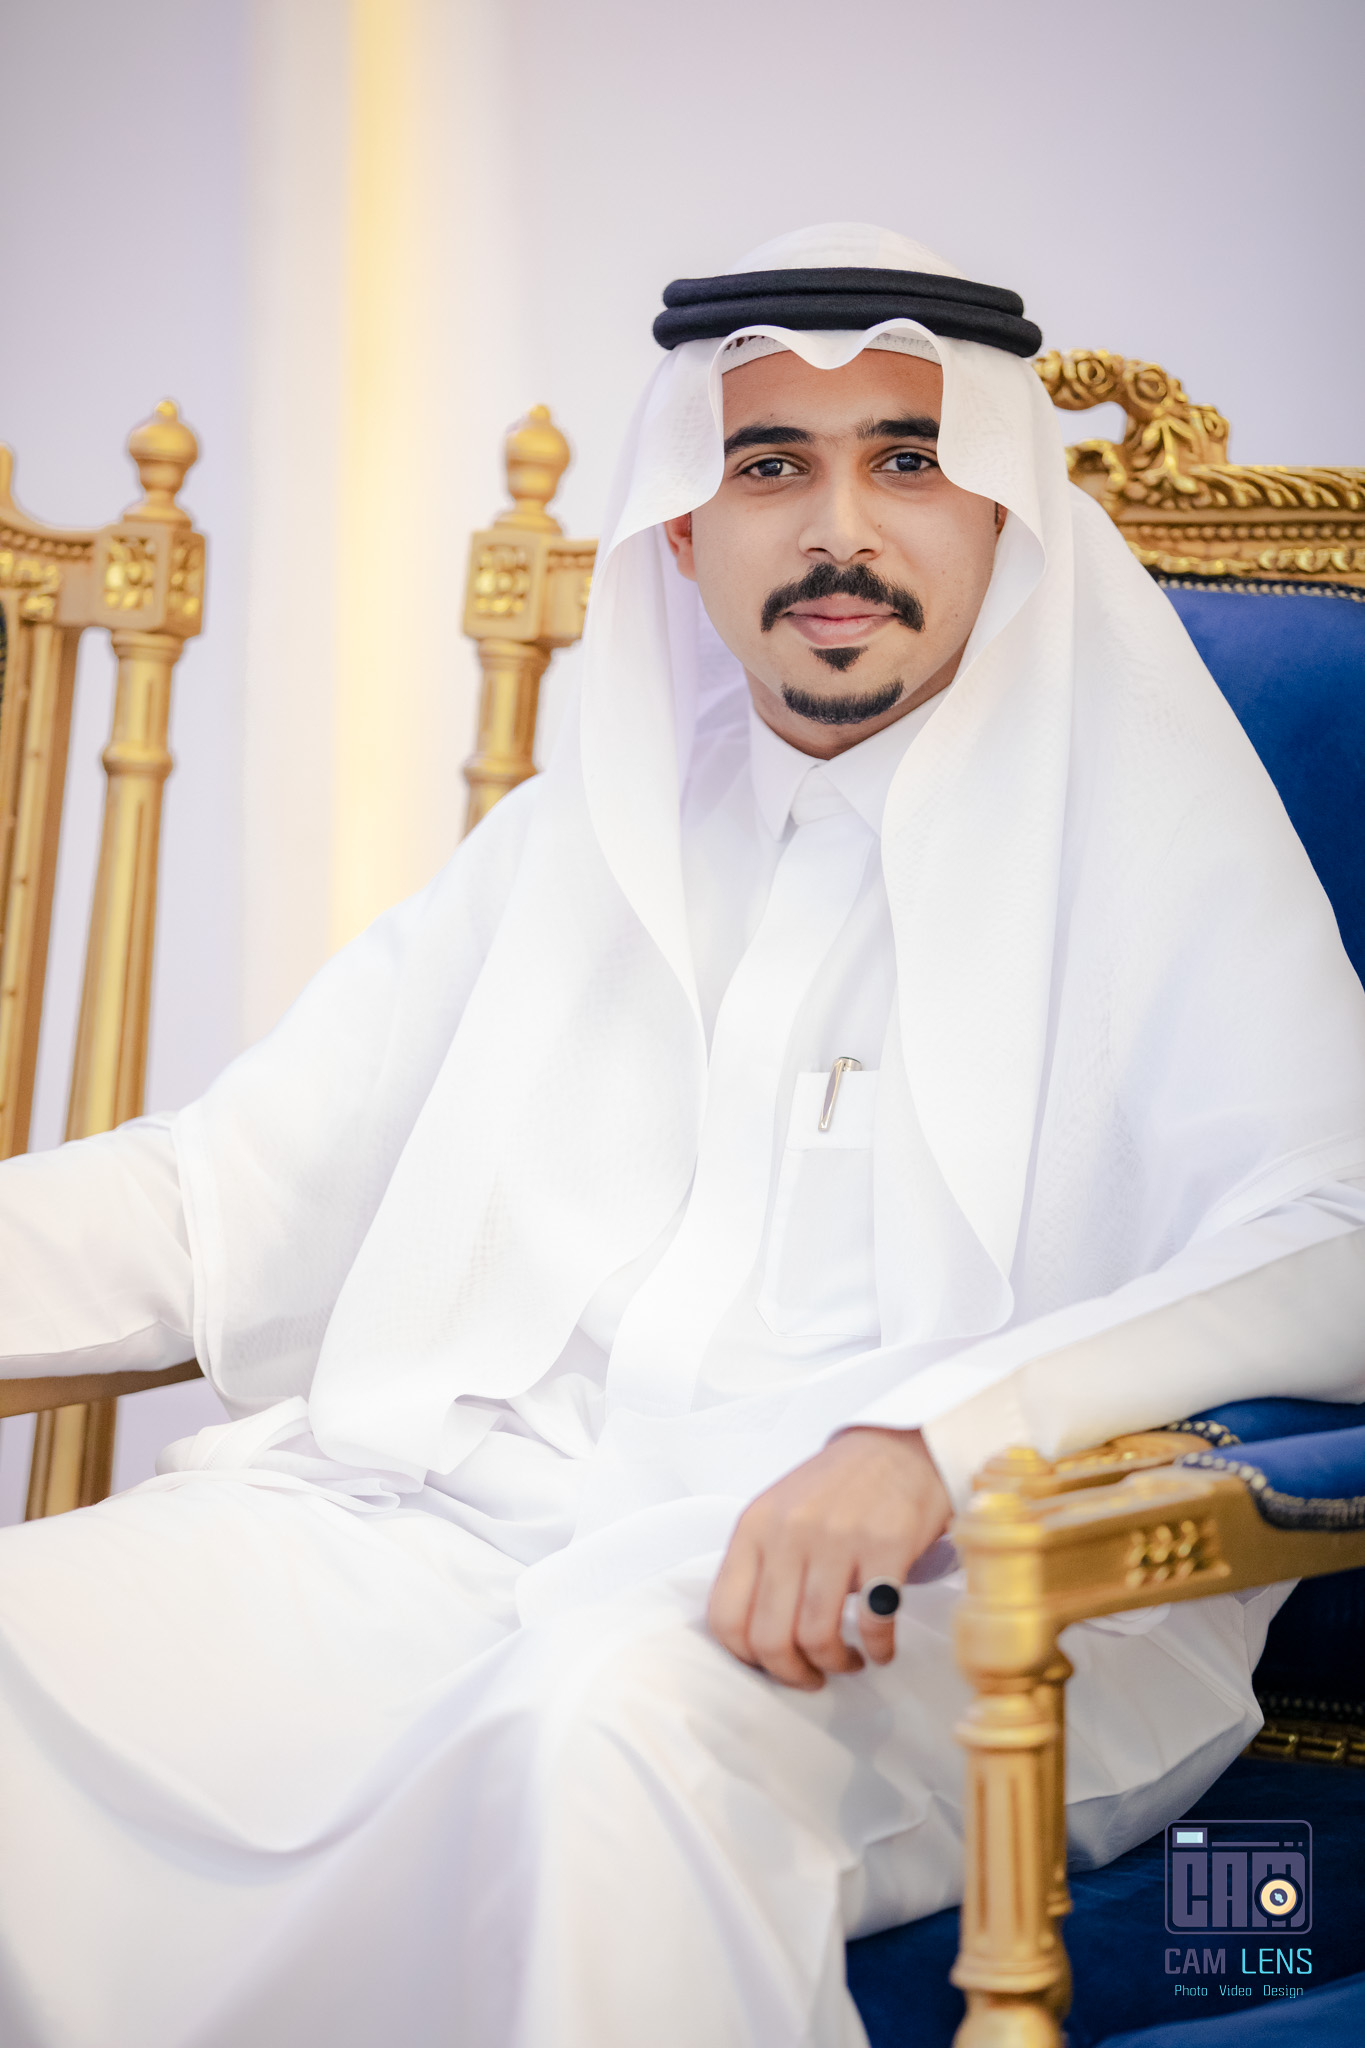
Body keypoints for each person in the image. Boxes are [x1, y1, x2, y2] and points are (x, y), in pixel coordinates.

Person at [2, 222, 1364, 2048]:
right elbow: (217, 1198)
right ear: (681, 530)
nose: (837, 530)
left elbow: (1340, 1232)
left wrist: (937, 1435)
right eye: (767, 466)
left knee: (604, 1729)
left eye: (907, 459)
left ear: (1000, 510)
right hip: (463, 1534)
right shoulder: (589, 829)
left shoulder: (1156, 839)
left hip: (947, 1598)